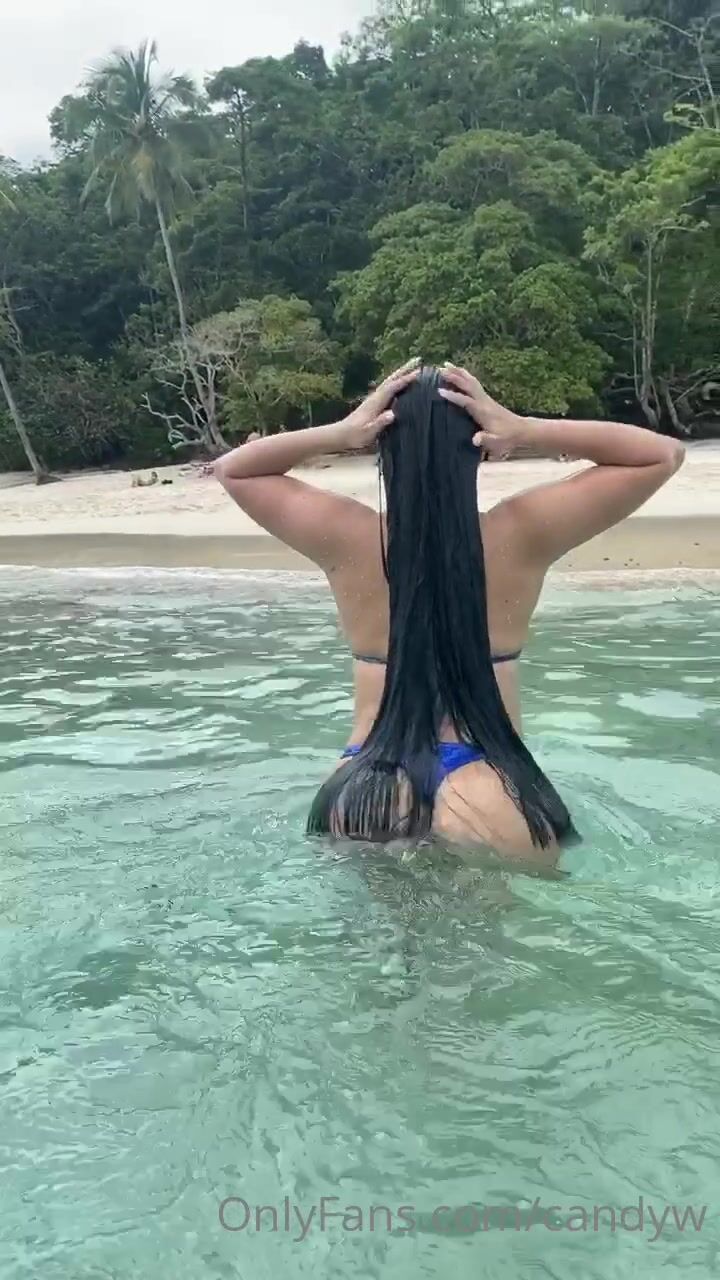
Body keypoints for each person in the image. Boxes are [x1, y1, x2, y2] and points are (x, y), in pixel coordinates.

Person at [215, 360, 684, 864]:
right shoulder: (522, 532)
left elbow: (234, 469)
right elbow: (661, 454)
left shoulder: (346, 534)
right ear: (479, 445)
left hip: (368, 781)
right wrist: (526, 430)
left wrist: (341, 433)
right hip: (486, 776)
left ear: (381, 446)